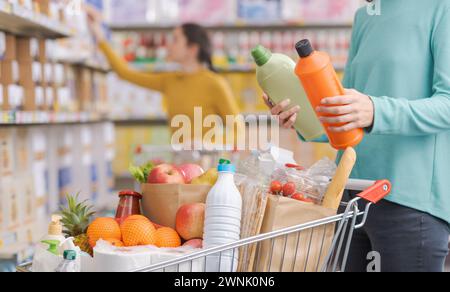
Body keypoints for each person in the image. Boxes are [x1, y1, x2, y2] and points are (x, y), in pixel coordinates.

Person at [264, 0, 450, 272]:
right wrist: (300, 117)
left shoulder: (441, 8)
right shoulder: (365, 17)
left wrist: (376, 110)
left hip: (410, 204)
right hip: (351, 199)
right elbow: (347, 112)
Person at [87, 11, 242, 146]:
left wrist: (208, 144)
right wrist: (100, 38)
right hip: (178, 163)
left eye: (175, 40)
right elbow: (125, 73)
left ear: (192, 49)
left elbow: (238, 129)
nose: (168, 45)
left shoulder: (215, 83)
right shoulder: (169, 81)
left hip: (208, 164)